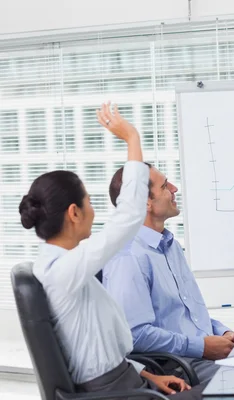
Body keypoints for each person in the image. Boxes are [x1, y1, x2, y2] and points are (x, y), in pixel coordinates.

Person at [19, 103, 202, 399]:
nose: (94, 211)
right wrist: (132, 139)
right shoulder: (63, 271)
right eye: (89, 202)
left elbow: (92, 346)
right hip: (116, 392)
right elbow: (128, 216)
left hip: (129, 380)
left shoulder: (65, 266)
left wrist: (148, 374)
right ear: (74, 213)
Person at [101, 163, 234, 389]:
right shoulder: (128, 258)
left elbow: (188, 314)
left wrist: (223, 332)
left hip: (199, 357)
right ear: (146, 202)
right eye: (166, 186)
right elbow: (135, 335)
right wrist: (201, 347)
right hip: (178, 367)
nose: (175, 189)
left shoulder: (170, 246)